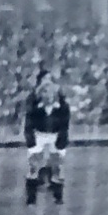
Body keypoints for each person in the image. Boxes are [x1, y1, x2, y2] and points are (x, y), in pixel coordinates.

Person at [23, 70, 70, 205]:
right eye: (44, 92)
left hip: (55, 136)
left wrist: (61, 141)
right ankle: (31, 198)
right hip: (39, 135)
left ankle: (58, 196)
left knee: (57, 166)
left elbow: (64, 125)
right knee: (33, 166)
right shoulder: (35, 106)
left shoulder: (62, 106)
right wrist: (30, 140)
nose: (48, 95)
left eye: (50, 92)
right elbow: (29, 124)